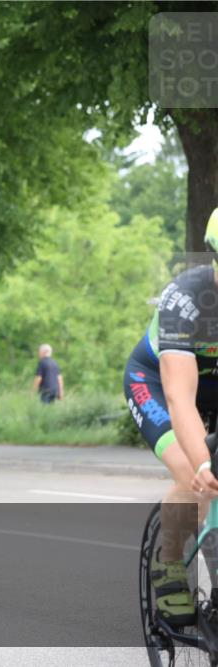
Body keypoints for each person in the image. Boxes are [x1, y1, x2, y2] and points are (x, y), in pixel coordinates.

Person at [125, 207, 218, 628]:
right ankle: (168, 560)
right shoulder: (184, 299)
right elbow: (181, 398)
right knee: (195, 475)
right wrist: (202, 463)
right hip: (158, 383)